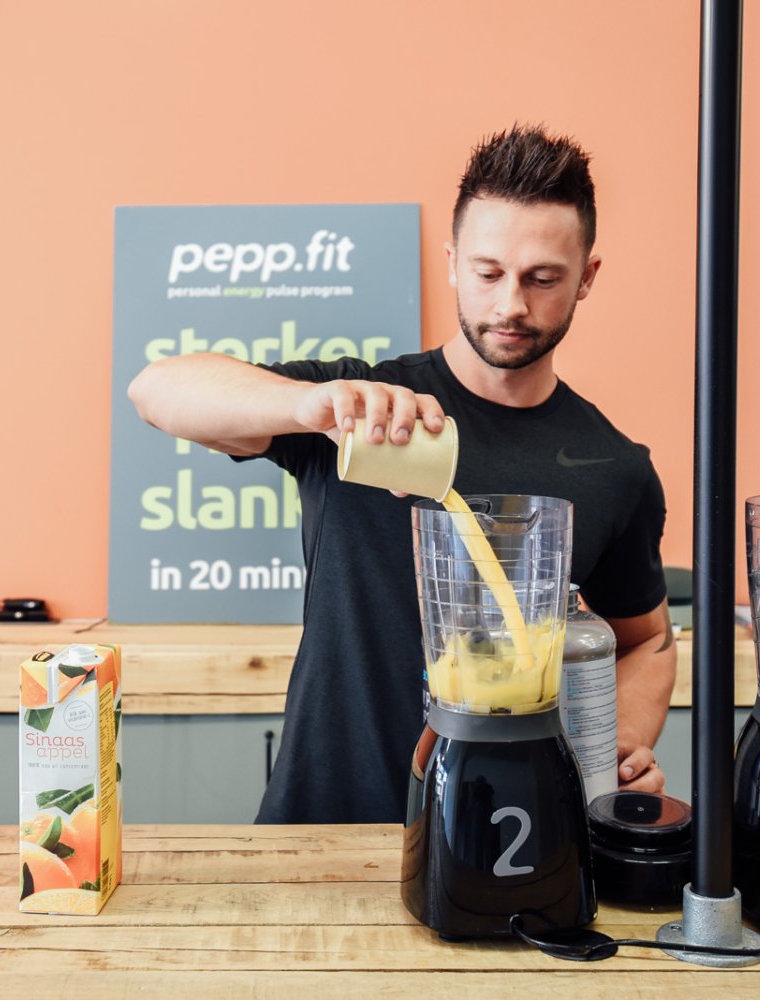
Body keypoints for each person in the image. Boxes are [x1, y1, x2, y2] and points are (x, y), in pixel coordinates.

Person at [128, 125, 676, 824]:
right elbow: (156, 390)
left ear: (587, 277)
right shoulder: (359, 409)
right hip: (323, 826)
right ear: (451, 264)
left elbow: (646, 640)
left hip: (510, 832)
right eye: (487, 273)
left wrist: (616, 741)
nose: (511, 304)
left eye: (542, 279)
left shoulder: (614, 466)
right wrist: (305, 406)